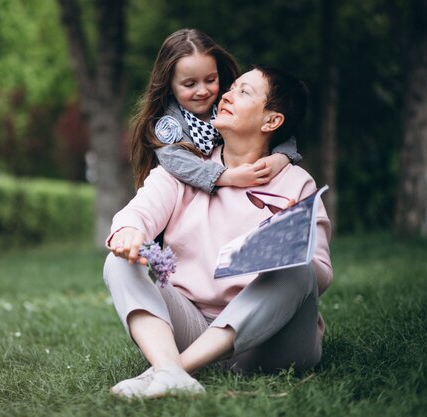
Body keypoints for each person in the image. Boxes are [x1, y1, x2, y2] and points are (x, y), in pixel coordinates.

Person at [103, 64, 332, 399]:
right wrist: (129, 231)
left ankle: (170, 369)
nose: (226, 94)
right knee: (118, 263)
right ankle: (171, 370)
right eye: (232, 87)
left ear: (272, 121)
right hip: (193, 326)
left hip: (274, 343)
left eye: (244, 91)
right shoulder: (185, 168)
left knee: (296, 270)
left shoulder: (296, 182)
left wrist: (284, 246)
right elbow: (138, 212)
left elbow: (320, 275)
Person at [130, 28, 302, 194]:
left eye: (211, 80)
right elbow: (175, 161)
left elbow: (282, 132)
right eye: (190, 84)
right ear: (169, 86)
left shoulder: (227, 101)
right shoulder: (168, 126)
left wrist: (281, 158)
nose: (203, 91)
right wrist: (225, 177)